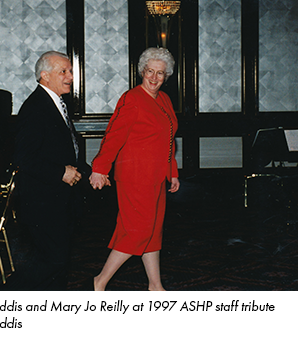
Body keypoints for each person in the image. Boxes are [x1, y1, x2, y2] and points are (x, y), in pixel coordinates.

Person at [89, 47, 180, 291]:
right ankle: (101, 281)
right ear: (141, 72)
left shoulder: (164, 100)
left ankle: (155, 284)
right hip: (135, 177)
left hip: (156, 177)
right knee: (137, 231)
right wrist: (100, 168)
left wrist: (172, 172)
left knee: (152, 230)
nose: (154, 78)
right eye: (150, 71)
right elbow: (113, 136)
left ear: (166, 76)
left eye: (160, 73)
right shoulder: (132, 98)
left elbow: (169, 138)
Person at [11, 50, 91, 290]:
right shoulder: (35, 107)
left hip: (58, 199)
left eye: (70, 71)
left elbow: (64, 151)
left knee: (58, 262)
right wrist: (60, 173)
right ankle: (0, 298)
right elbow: (23, 158)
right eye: (63, 72)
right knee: (52, 260)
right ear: (44, 76)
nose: (70, 77)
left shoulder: (55, 103)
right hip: (43, 201)